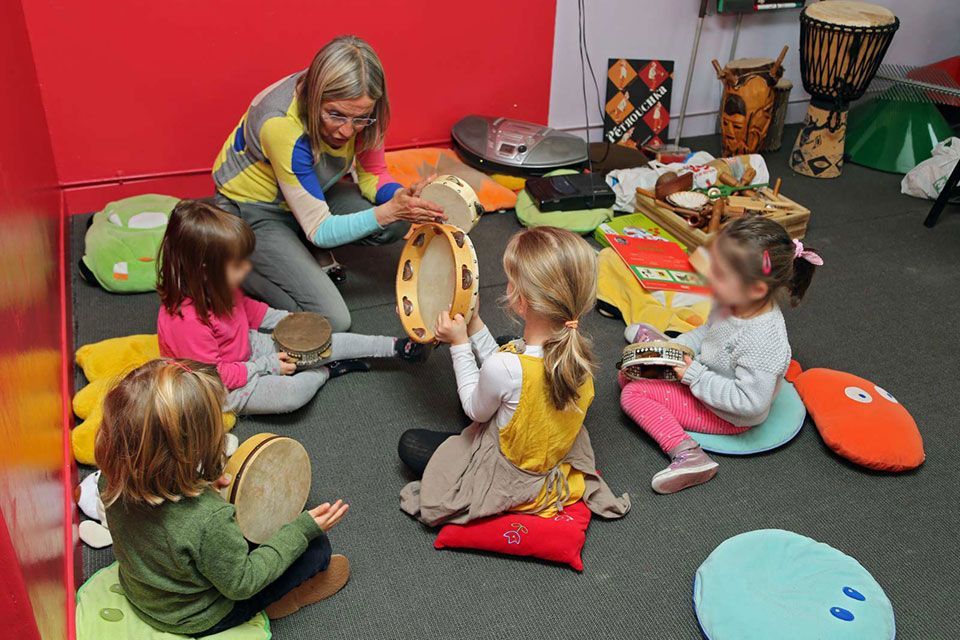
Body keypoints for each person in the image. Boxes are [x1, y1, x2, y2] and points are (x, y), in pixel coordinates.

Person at [95, 359, 351, 637]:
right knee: (316, 548)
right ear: (194, 448)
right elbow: (243, 583)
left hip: (144, 592)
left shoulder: (110, 481)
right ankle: (287, 599)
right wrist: (302, 530)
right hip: (199, 615)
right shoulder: (209, 519)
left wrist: (198, 482)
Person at [398, 227, 630, 525]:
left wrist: (459, 344)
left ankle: (506, 499)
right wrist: (474, 323)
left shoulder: (505, 367)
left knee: (411, 444)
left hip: (512, 474)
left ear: (521, 301)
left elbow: (475, 410)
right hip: (542, 447)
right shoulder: (576, 352)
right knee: (504, 346)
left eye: (510, 280)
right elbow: (510, 371)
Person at [213, 35, 445, 332]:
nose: (347, 131)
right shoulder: (281, 125)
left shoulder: (366, 110)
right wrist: (389, 211)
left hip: (311, 191)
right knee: (333, 319)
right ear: (314, 98)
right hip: (253, 209)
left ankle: (297, 241)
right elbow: (320, 231)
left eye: (359, 119)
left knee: (397, 222)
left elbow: (373, 174)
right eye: (336, 115)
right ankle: (236, 260)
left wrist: (402, 197)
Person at [157, 200, 426, 415]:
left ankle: (395, 347)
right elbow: (216, 376)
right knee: (291, 394)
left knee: (324, 341)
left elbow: (247, 309)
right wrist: (267, 366)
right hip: (219, 386)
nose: (247, 268)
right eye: (238, 265)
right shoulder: (186, 322)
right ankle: (325, 372)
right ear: (205, 270)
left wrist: (292, 322)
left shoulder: (216, 284)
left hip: (244, 348)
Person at [620, 217, 822, 494]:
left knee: (633, 394)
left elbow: (750, 404)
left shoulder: (764, 340)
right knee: (629, 373)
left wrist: (694, 375)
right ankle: (663, 345)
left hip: (728, 415)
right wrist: (675, 348)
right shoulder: (735, 302)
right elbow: (708, 334)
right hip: (704, 377)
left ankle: (689, 455)